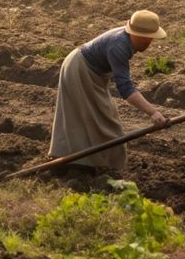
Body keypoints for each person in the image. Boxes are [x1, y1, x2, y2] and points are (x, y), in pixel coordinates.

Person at [49, 10, 170, 172]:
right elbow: (126, 89)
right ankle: (80, 165)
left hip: (91, 72)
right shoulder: (119, 46)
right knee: (104, 126)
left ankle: (93, 166)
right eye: (148, 38)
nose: (150, 42)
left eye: (152, 38)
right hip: (80, 70)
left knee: (101, 120)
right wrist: (153, 113)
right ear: (137, 34)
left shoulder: (126, 40)